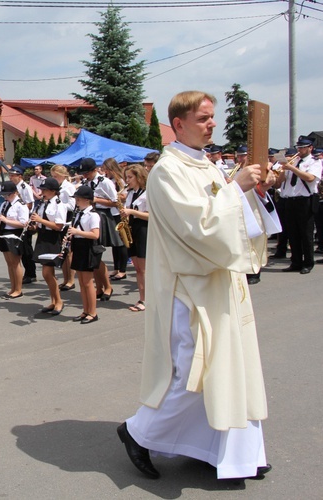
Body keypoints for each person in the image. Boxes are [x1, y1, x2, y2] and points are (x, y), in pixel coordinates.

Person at [117, 90, 279, 481]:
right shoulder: (168, 171)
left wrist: (254, 191)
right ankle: (139, 432)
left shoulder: (205, 165)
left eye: (212, 117)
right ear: (178, 124)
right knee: (198, 372)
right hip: (189, 288)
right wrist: (236, 188)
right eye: (204, 118)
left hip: (220, 281)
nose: (212, 124)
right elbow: (199, 227)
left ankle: (229, 453)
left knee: (230, 369)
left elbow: (230, 214)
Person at [275, 136, 322, 274]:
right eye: (298, 147)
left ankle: (308, 263)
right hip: (290, 200)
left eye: (302, 147)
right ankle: (295, 262)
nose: (299, 150)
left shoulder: (315, 162)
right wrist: (283, 169)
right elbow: (279, 183)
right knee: (292, 232)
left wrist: (292, 168)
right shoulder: (293, 162)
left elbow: (310, 178)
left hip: (305, 200)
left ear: (310, 148)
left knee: (306, 234)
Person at [77, 158, 114, 302]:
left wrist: (96, 200)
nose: (85, 176)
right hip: (87, 215)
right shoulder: (86, 183)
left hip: (101, 216)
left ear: (94, 170)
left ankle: (108, 286)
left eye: (87, 173)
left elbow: (115, 201)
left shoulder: (105, 182)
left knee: (96, 254)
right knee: (92, 256)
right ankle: (99, 287)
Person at [30, 178, 67, 315]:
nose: (42, 192)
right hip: (42, 237)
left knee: (47, 272)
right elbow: (39, 223)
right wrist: (33, 225)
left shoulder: (59, 205)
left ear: (52, 191)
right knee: (47, 274)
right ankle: (53, 300)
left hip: (52, 239)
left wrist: (40, 220)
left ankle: (59, 301)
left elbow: (59, 226)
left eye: (45, 190)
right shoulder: (42, 204)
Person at [67, 185, 101, 325]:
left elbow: (95, 234)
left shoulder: (92, 214)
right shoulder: (78, 213)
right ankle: (85, 310)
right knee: (81, 282)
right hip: (79, 246)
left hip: (87, 248)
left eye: (78, 198)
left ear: (87, 200)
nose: (76, 201)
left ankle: (93, 312)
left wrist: (77, 232)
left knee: (88, 283)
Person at [119, 165, 149, 311]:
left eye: (130, 177)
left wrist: (131, 211)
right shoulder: (131, 193)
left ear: (139, 177)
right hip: (132, 229)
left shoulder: (147, 193)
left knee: (144, 269)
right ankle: (142, 297)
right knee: (138, 268)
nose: (127, 180)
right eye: (126, 177)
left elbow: (151, 216)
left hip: (143, 229)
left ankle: (147, 299)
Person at [0, 181, 29, 299]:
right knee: (9, 263)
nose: (6, 197)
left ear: (15, 193)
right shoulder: (4, 204)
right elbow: (1, 218)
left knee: (15, 263)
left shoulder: (21, 205)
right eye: (4, 195)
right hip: (4, 233)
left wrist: (6, 221)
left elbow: (24, 223)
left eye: (8, 194)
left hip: (14, 234)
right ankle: (13, 287)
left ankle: (18, 289)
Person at [49, 165, 77, 291]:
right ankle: (65, 279)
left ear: (62, 175)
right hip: (59, 218)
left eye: (56, 176)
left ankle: (71, 280)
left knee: (68, 251)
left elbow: (72, 205)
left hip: (67, 219)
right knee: (63, 251)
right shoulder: (58, 187)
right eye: (52, 176)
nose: (54, 179)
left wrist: (60, 206)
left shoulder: (68, 187)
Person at [8, 165, 37, 284]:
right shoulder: (14, 187)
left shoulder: (24, 187)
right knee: (22, 248)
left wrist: (20, 209)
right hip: (18, 218)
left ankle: (31, 273)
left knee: (26, 248)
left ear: (19, 176)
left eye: (13, 175)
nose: (10, 177)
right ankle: (27, 272)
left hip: (25, 218)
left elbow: (30, 204)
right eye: (10, 175)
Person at [101, 158, 129, 281]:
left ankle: (122, 270)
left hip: (119, 213)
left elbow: (124, 196)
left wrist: (114, 195)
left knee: (121, 242)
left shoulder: (120, 181)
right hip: (112, 213)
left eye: (106, 169)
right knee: (115, 244)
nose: (105, 171)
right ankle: (116, 268)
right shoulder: (109, 180)